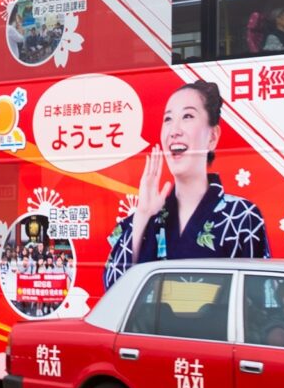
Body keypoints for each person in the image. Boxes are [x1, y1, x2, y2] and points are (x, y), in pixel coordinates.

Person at [103, 81, 268, 287]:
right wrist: (143, 214)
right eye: (168, 119)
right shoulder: (143, 219)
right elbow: (113, 289)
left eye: (188, 116)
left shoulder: (242, 216)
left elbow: (259, 295)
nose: (174, 130)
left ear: (213, 137)